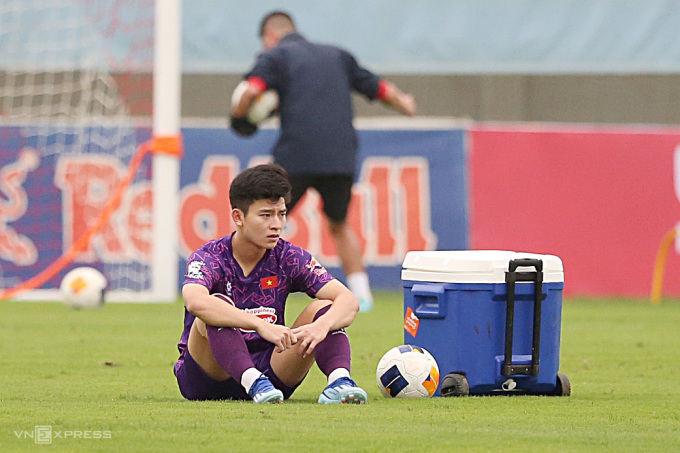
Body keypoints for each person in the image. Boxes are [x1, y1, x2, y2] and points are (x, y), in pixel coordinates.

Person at [231, 11, 416, 312]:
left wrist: (240, 115)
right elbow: (380, 89)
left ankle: (244, 284)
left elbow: (251, 91)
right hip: (340, 156)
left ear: (269, 37)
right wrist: (405, 104)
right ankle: (361, 295)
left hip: (297, 154)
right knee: (340, 223)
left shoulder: (275, 56)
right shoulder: (338, 55)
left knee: (266, 217)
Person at [174, 163, 367, 404]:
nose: (277, 224)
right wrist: (258, 325)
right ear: (238, 217)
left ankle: (340, 382)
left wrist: (323, 325)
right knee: (215, 305)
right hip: (208, 378)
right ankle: (251, 380)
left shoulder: (289, 256)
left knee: (325, 308)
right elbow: (195, 301)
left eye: (282, 214)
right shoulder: (210, 256)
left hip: (272, 379)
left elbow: (348, 300)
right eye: (266, 215)